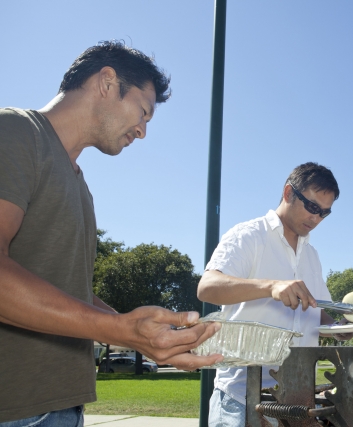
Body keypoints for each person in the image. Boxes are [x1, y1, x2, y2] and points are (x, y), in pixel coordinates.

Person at [0, 41, 222, 426]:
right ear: (107, 81)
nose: (142, 130)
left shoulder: (79, 185)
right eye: (143, 112)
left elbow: (70, 295)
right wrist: (121, 328)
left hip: (61, 405)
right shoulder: (16, 131)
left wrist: (141, 334)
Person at [197, 162, 353, 427]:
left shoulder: (312, 255)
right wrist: (270, 286)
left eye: (324, 213)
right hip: (242, 396)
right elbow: (207, 287)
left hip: (297, 399)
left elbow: (318, 310)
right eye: (313, 207)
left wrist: (336, 326)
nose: (316, 219)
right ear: (288, 192)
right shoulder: (249, 235)